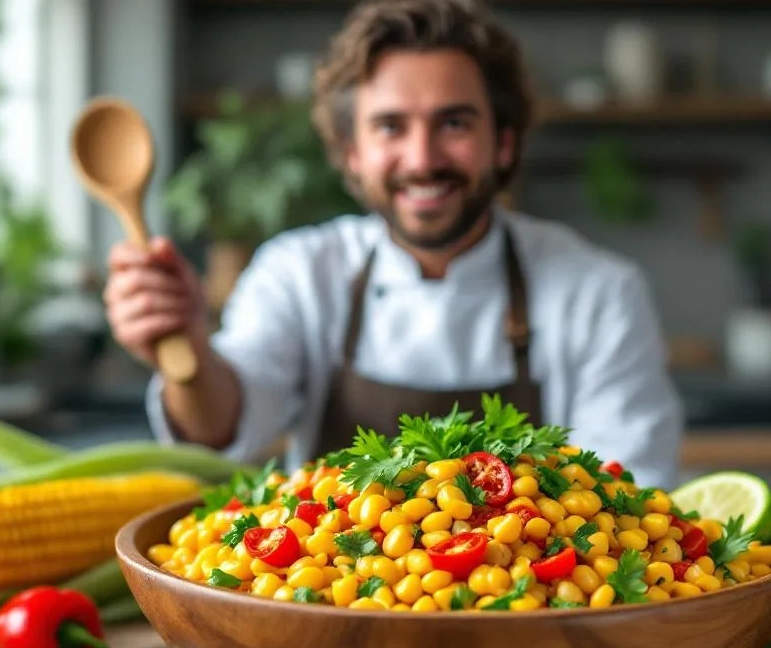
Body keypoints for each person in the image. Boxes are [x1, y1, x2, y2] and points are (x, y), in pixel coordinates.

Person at [104, 0, 683, 486]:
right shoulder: (300, 272)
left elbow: (626, 498)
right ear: (351, 154)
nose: (423, 159)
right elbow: (223, 430)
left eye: (453, 123)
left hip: (532, 617)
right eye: (390, 127)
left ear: (504, 144)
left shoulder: (600, 292)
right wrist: (186, 357)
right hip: (332, 613)